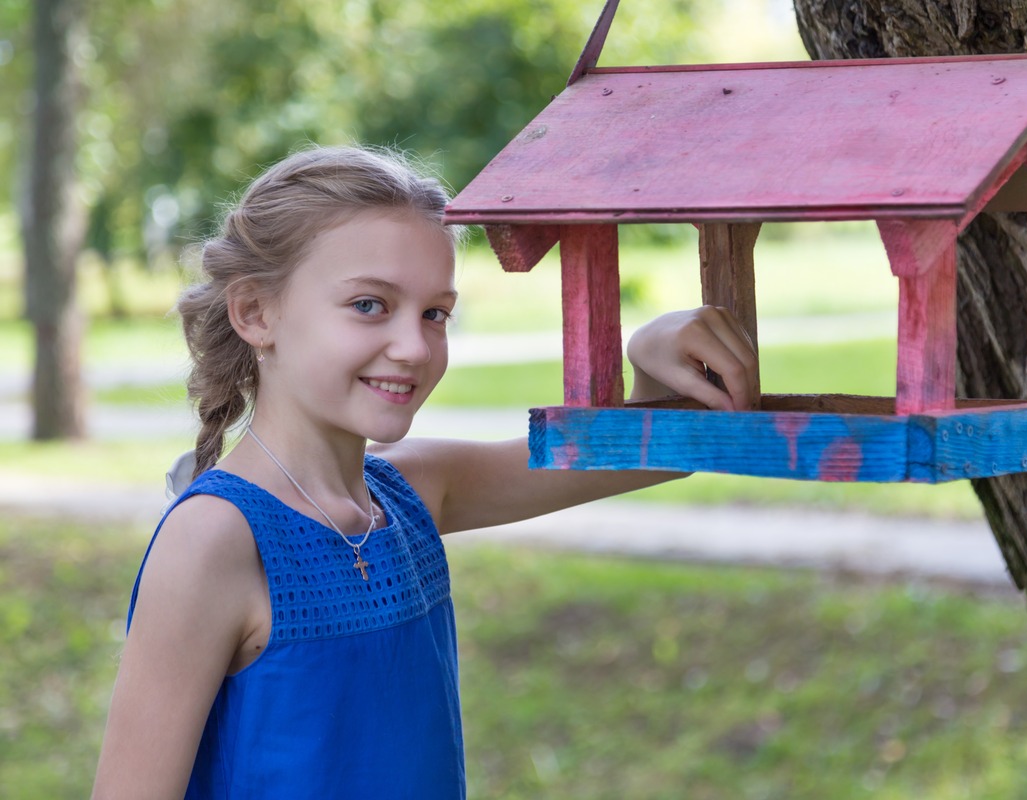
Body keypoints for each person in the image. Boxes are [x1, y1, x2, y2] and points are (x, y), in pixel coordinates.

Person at [90, 145, 757, 799]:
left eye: (434, 313)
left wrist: (649, 355)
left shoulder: (412, 492)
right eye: (370, 305)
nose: (413, 347)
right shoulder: (214, 541)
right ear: (256, 313)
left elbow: (661, 448)